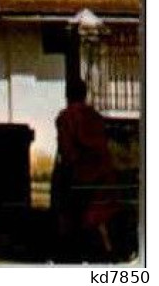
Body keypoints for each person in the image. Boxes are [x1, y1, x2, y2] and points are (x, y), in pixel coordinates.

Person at [53, 78, 119, 260]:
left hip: (80, 174)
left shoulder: (65, 117)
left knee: (70, 212)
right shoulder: (95, 117)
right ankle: (107, 249)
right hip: (101, 172)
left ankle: (71, 250)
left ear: (68, 95)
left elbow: (66, 150)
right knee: (97, 215)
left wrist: (66, 172)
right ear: (84, 94)